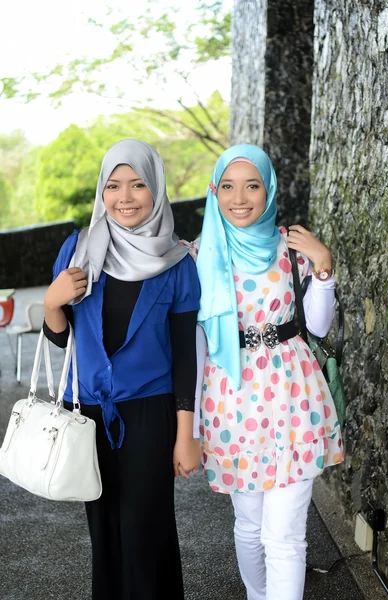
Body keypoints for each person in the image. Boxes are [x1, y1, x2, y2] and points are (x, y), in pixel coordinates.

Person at [42, 139, 202, 600]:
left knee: (145, 530)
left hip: (149, 414)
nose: (125, 197)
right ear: (102, 191)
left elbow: (185, 357)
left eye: (137, 185)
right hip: (87, 413)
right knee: (105, 531)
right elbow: (61, 336)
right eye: (113, 186)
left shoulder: (176, 261)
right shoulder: (78, 250)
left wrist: (185, 434)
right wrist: (53, 302)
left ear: (156, 189)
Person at [188, 143, 344, 600]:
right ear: (214, 192)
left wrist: (323, 264)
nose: (240, 198)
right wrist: (191, 420)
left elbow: (316, 324)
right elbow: (197, 342)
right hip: (232, 403)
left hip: (294, 397)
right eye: (229, 187)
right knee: (250, 527)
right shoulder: (200, 255)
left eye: (252, 185)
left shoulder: (292, 245)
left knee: (286, 536)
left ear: (268, 188)